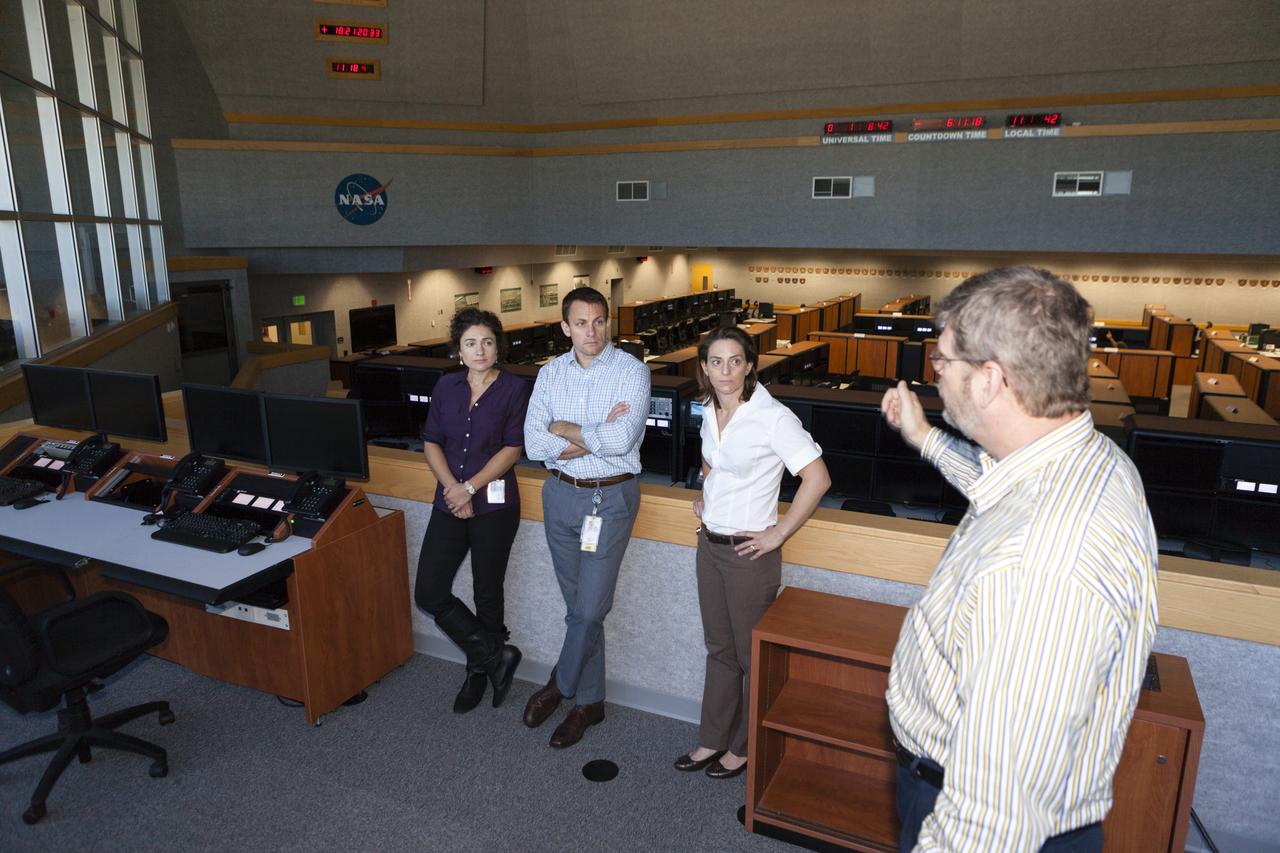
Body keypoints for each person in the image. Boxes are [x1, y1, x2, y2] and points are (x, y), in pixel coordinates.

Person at [879, 267, 1159, 852]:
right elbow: (1001, 491)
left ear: (988, 380)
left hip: (968, 812)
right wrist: (924, 437)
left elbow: (991, 822)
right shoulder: (1090, 458)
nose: (934, 374)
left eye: (942, 363)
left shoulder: (1038, 568)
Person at [675, 326, 829, 779]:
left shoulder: (773, 417)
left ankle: (742, 748)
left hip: (749, 555)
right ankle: (712, 740)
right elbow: (713, 459)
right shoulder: (707, 409)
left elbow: (817, 478)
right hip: (710, 544)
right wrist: (707, 488)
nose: (726, 370)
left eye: (735, 361)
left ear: (749, 365)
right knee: (719, 649)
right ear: (703, 366)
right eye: (716, 361)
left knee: (749, 655)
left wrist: (779, 534)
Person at [521, 286, 650, 748]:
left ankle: (561, 682)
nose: (591, 331)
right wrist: (591, 436)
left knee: (590, 608)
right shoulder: (550, 374)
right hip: (559, 496)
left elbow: (621, 443)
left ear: (608, 322)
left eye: (599, 321)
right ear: (565, 327)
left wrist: (566, 429)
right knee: (579, 610)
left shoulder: (632, 372)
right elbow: (534, 444)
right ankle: (589, 704)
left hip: (610, 500)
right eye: (581, 322)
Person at [414, 307, 529, 713]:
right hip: (449, 500)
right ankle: (494, 656)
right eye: (470, 343)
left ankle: (477, 671)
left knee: (487, 592)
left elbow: (512, 447)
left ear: (498, 346)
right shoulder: (446, 386)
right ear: (458, 349)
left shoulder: (514, 389)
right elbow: (431, 441)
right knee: (428, 590)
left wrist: (469, 489)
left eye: (487, 342)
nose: (479, 350)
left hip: (494, 505)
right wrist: (452, 490)